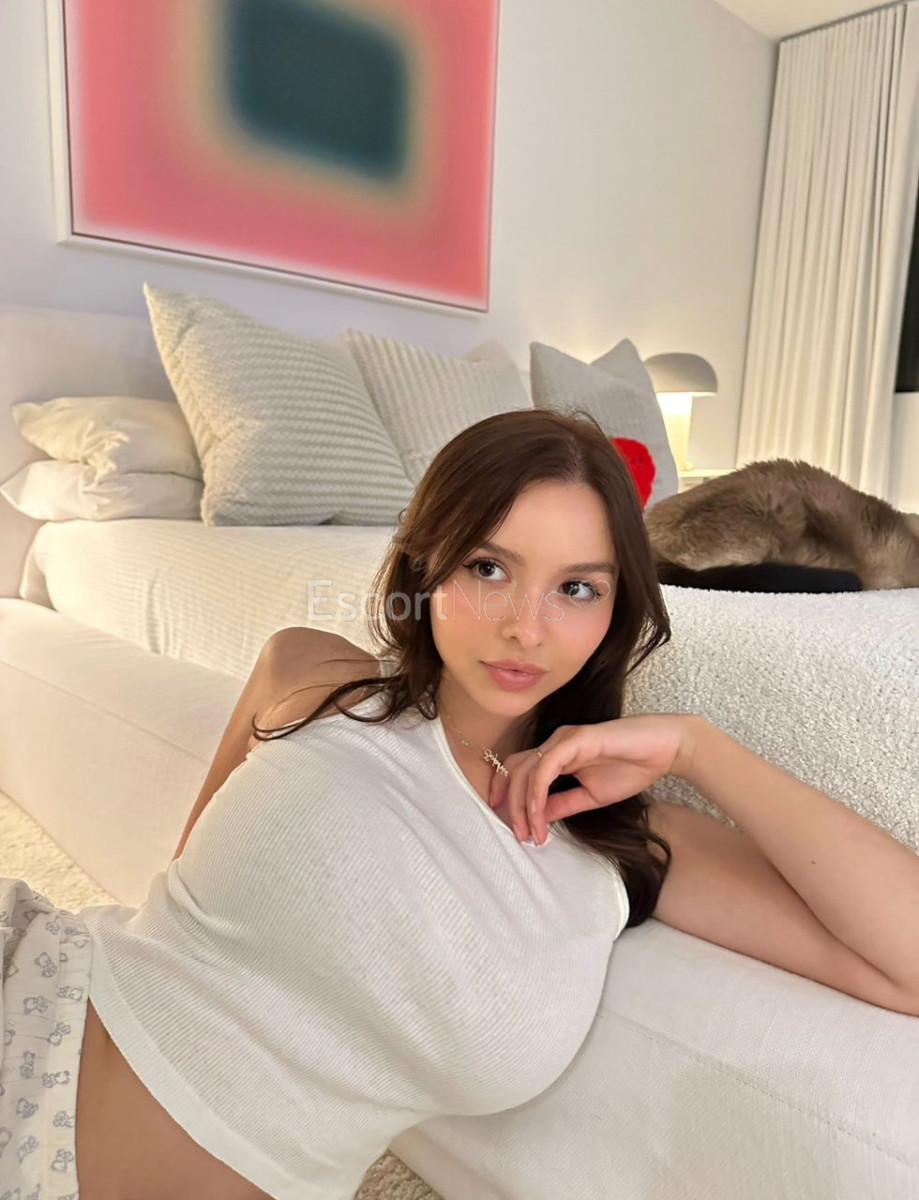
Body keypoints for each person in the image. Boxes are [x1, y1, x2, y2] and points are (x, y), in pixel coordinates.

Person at [2, 409, 917, 1200]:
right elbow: (170, 909)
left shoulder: (626, 838)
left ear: (615, 611)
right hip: (36, 1030)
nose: (525, 627)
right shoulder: (313, 674)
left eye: (576, 588)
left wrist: (698, 749)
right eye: (486, 567)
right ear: (425, 565)